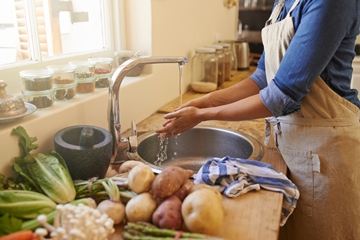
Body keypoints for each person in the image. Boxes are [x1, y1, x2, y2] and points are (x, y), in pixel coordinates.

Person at [156, 0, 360, 239]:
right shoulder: (283, 3)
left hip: (326, 152)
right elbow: (262, 78)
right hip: (292, 145)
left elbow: (280, 96)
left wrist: (203, 115)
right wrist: (205, 102)